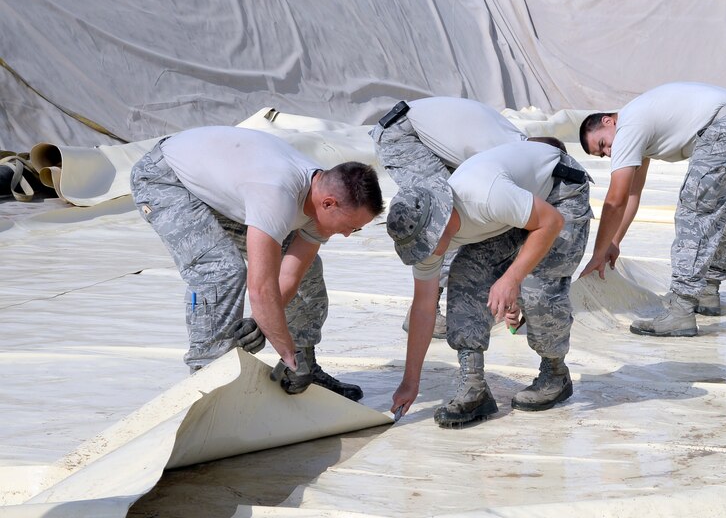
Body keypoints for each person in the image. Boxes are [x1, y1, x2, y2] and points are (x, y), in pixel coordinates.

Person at [130, 125, 384, 400]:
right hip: (166, 178)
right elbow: (261, 290)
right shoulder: (276, 193)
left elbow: (290, 275)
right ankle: (208, 384)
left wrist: (263, 325)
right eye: (349, 226)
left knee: (310, 270)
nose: (347, 234)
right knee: (221, 271)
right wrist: (286, 353)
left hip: (221, 186)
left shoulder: (320, 197)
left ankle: (304, 367)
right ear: (328, 204)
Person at [385, 140, 592, 427]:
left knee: (538, 285)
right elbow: (423, 308)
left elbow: (550, 222)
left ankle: (555, 374)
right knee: (464, 274)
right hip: (514, 210)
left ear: (442, 220)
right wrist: (410, 381)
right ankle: (473, 386)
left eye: (429, 243)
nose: (428, 252)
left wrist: (511, 278)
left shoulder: (484, 195)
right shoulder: (428, 240)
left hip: (560, 192)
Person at [578, 81, 726, 337]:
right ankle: (707, 291)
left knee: (695, 212)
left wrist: (597, 254)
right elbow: (634, 194)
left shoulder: (628, 125)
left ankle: (681, 309)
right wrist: (614, 242)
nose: (609, 152)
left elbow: (616, 199)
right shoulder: (639, 125)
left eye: (602, 144)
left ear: (608, 121)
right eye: (602, 154)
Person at [370, 96, 561, 337]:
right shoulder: (503, 150)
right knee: (440, 221)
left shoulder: (512, 145)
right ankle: (424, 309)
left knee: (463, 220)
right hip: (403, 136)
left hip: (413, 130)